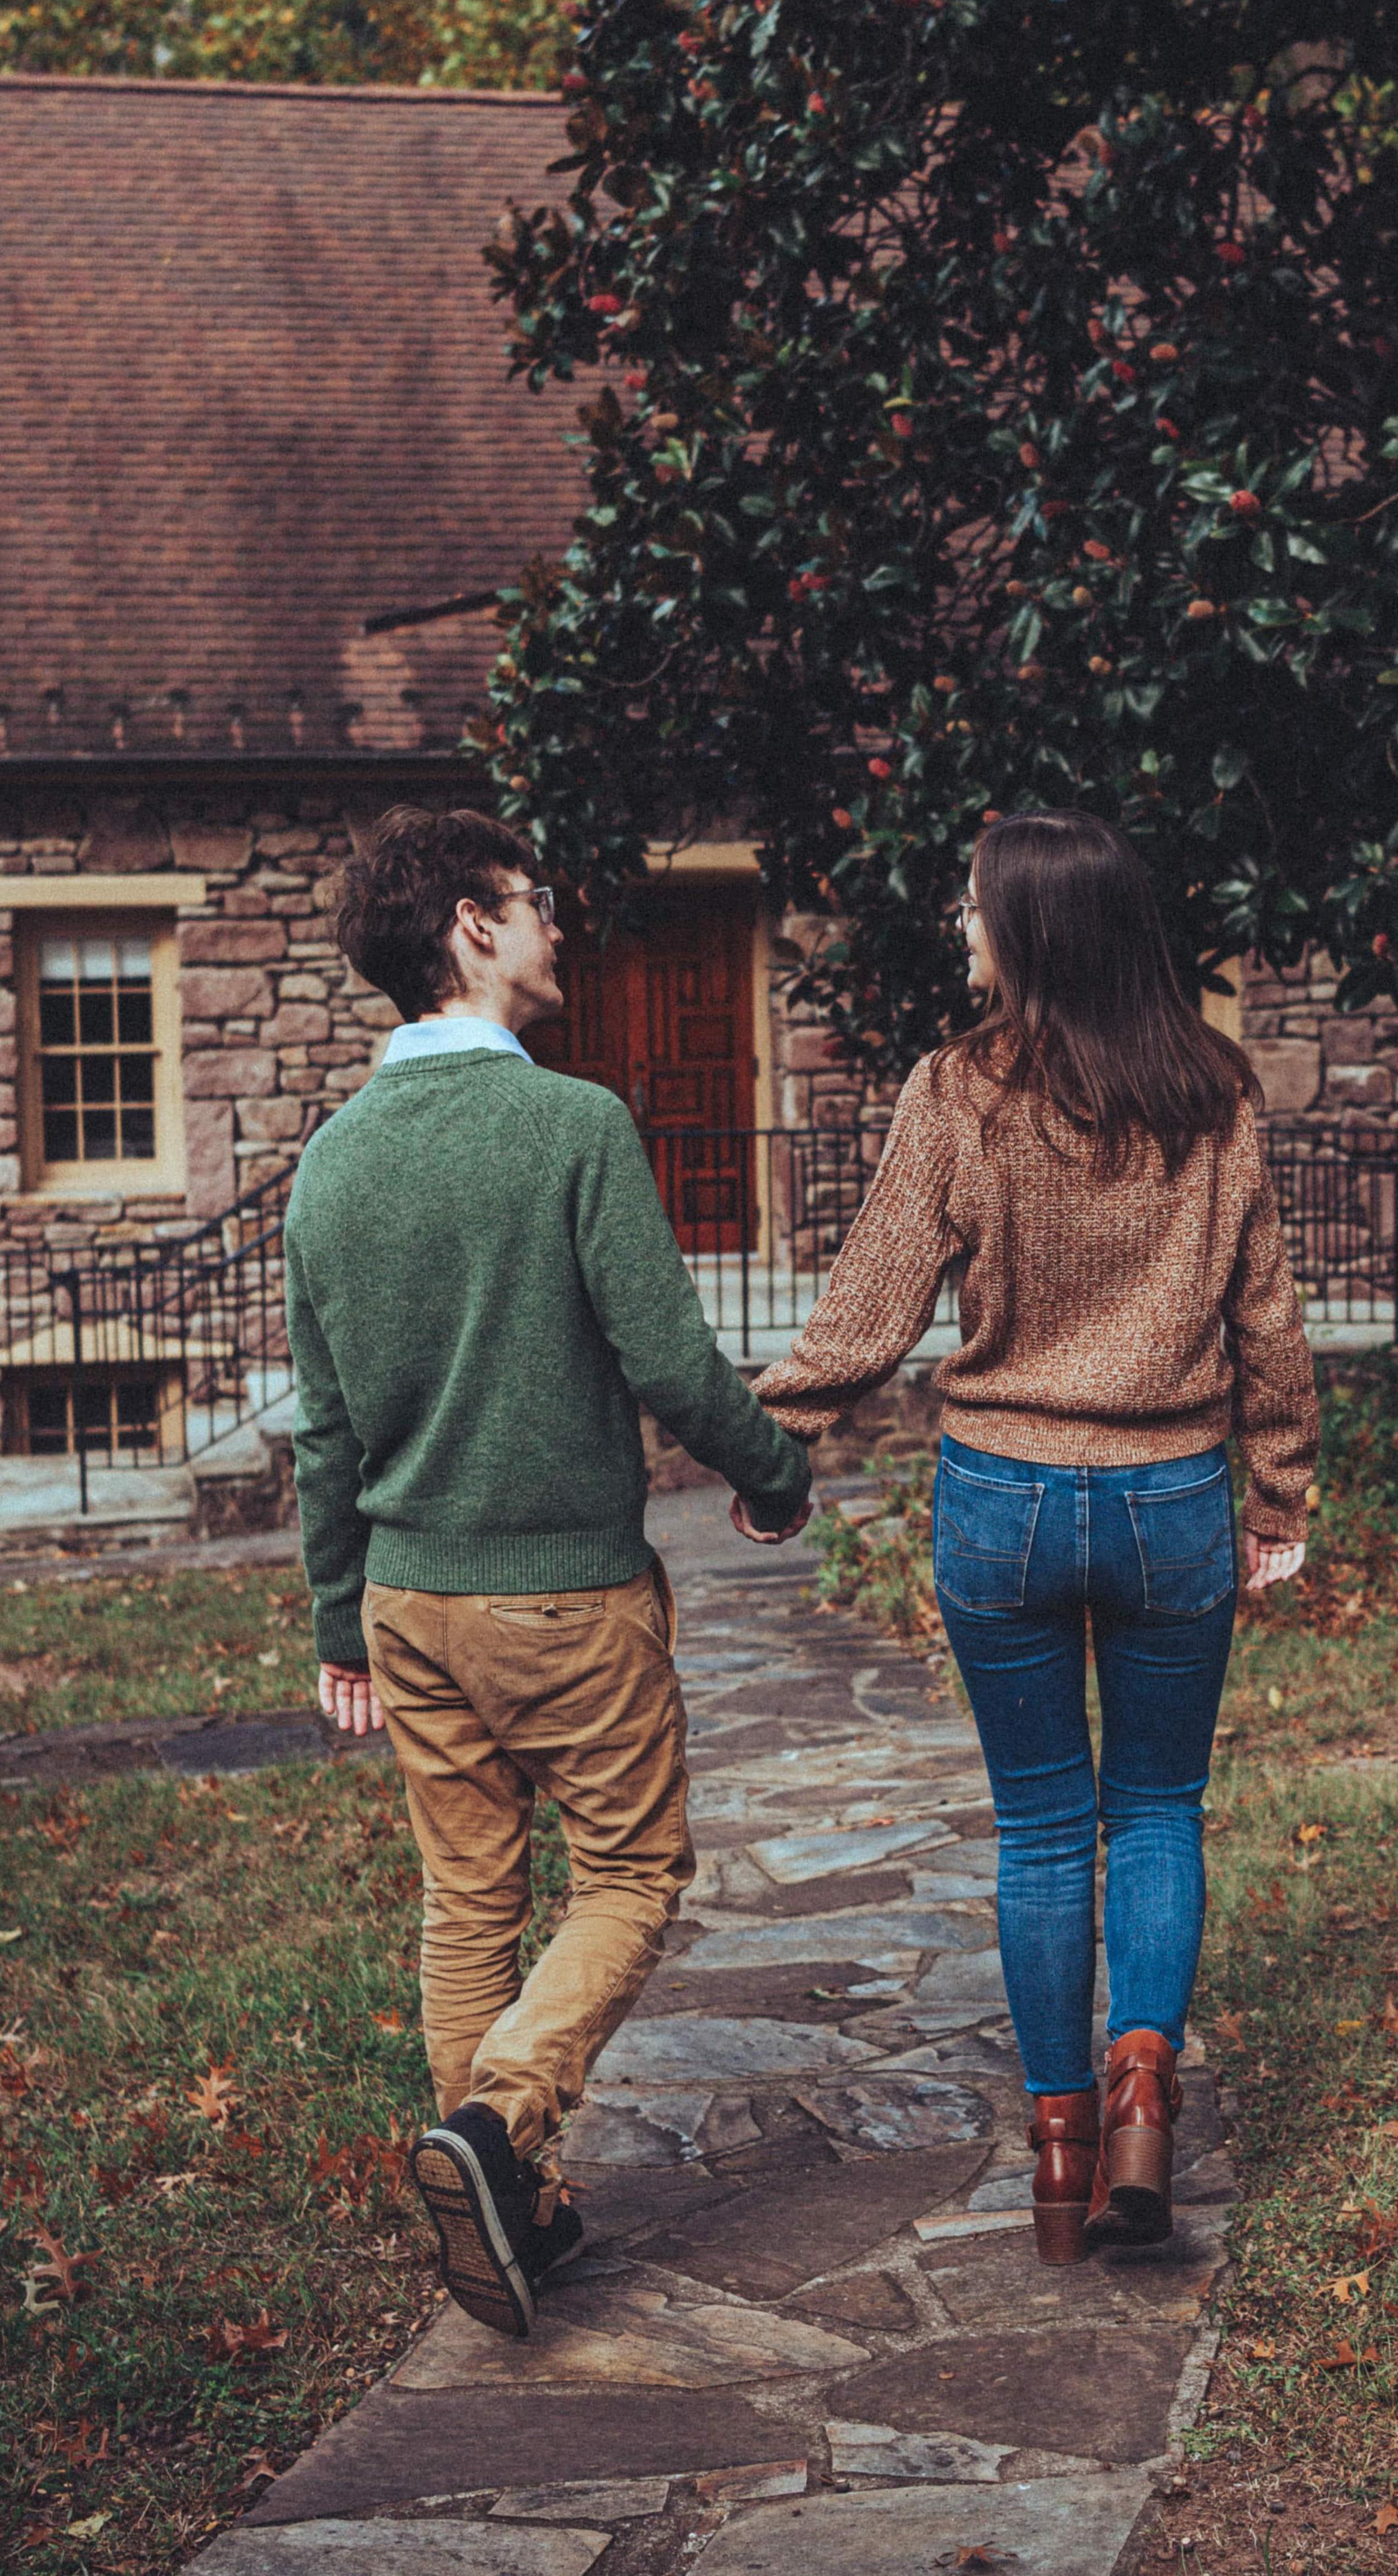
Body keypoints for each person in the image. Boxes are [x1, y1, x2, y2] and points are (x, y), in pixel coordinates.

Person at [751, 809, 1318, 2262]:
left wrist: (775, 1445)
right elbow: (1266, 1313)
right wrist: (1278, 1491)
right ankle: (1144, 2089)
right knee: (1156, 1809)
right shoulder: (1214, 1093)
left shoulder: (958, 1092)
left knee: (1043, 1828)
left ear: (1036, 931)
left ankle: (1062, 2152)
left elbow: (870, 1298)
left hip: (1000, 1498)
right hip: (1168, 1502)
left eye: (974, 908)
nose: (960, 929)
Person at [283, 805, 814, 2339]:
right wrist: (773, 1473)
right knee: (632, 1873)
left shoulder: (327, 1166)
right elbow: (665, 1353)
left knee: (469, 1896)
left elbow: (324, 1432)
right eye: (536, 905)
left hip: (406, 1598)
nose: (558, 929)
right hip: (564, 1593)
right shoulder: (572, 1126)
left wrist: (339, 1622)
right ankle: (506, 2123)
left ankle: (507, 2210)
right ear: (469, 926)